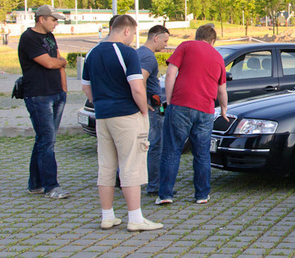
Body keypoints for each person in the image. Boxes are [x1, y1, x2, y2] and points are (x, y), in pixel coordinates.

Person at [81, 15, 163, 232]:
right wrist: (144, 110)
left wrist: (101, 102)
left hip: (103, 116)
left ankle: (107, 215)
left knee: (106, 166)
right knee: (130, 165)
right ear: (127, 31)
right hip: (126, 115)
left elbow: (86, 88)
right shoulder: (127, 52)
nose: (133, 38)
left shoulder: (92, 53)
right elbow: (137, 88)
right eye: (134, 33)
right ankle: (135, 218)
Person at [158, 23, 227, 205]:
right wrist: (224, 109)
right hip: (205, 110)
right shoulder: (218, 57)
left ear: (197, 36)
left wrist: (171, 100)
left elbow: (171, 74)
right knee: (202, 153)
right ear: (212, 41)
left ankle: (165, 195)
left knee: (172, 151)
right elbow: (222, 89)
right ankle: (202, 195)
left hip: (181, 105)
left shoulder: (186, 46)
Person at [18, 5, 69, 199]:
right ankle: (51, 187)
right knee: (47, 141)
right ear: (41, 19)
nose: (56, 24)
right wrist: (61, 62)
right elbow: (49, 62)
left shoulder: (49, 37)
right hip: (39, 95)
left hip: (56, 93)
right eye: (53, 20)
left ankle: (35, 184)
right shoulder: (28, 38)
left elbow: (57, 61)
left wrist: (63, 91)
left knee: (43, 140)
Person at [137, 25, 170, 196]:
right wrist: (144, 102)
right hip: (153, 106)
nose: (165, 45)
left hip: (149, 105)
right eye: (164, 41)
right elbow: (140, 78)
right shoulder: (149, 57)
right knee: (156, 145)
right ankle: (154, 185)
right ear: (155, 37)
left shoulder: (138, 52)